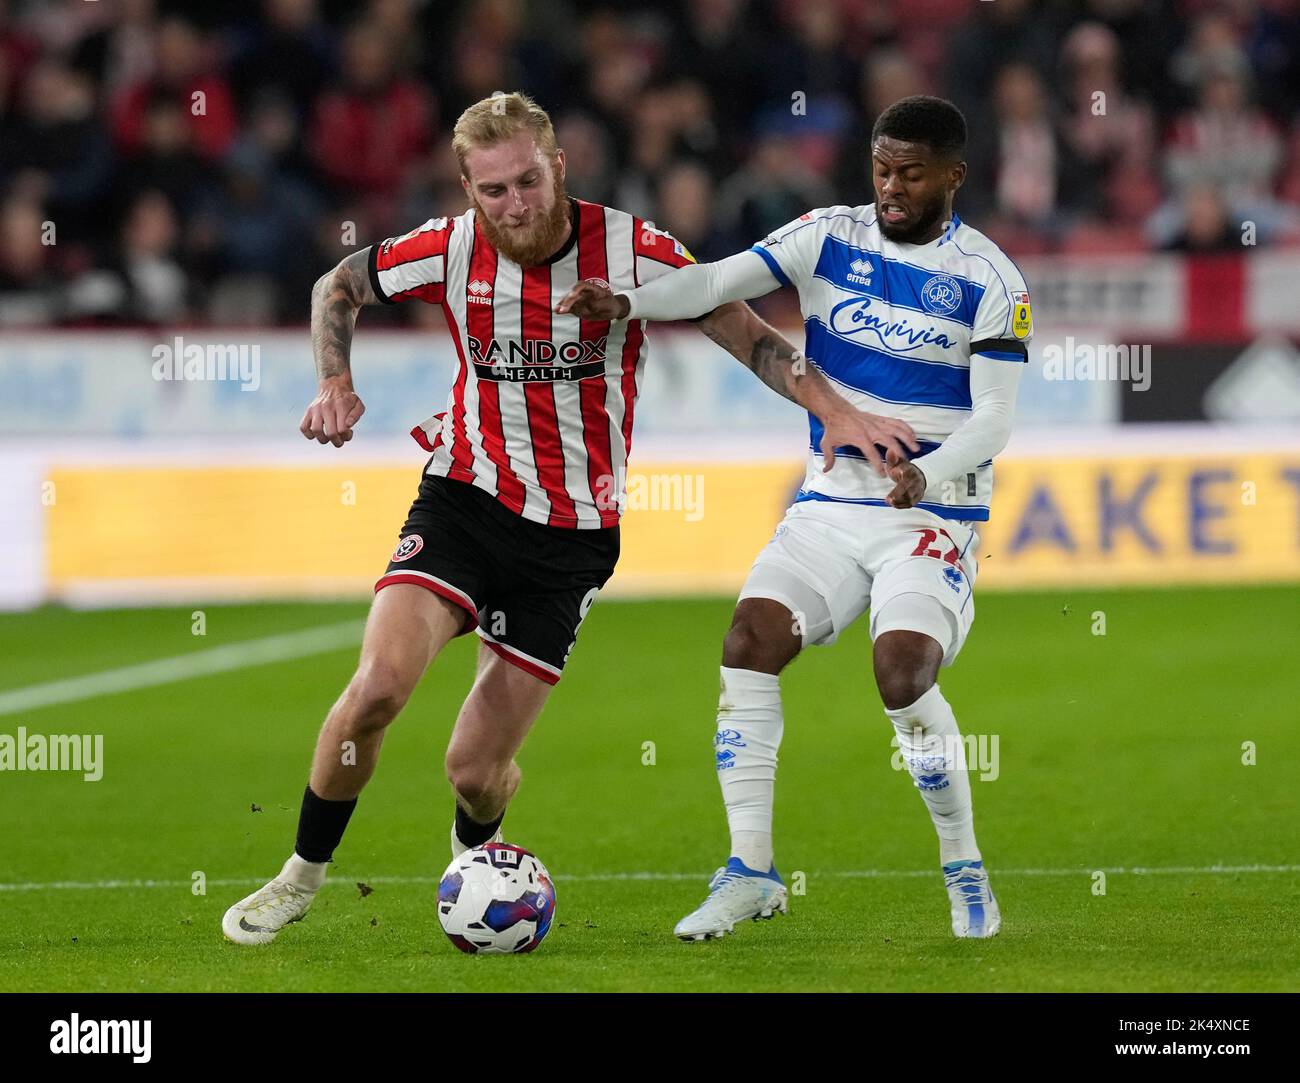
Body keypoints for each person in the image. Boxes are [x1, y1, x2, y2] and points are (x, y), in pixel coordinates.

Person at [222, 91, 911, 945]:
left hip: (574, 539)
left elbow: (749, 335)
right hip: (464, 499)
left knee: (474, 770)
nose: (514, 206)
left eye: (527, 182)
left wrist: (836, 413)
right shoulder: (448, 248)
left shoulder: (632, 252)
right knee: (379, 690)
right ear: (468, 190)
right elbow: (340, 284)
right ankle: (299, 876)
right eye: (493, 191)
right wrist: (333, 380)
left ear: (559, 168)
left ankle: (478, 852)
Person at [558, 95, 1033, 940]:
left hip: (935, 511)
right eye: (882, 168)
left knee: (902, 675)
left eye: (911, 173)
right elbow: (714, 284)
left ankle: (964, 866)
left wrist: (924, 472)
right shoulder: (827, 234)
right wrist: (629, 304)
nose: (890, 186)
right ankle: (750, 872)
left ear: (954, 176)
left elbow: (995, 419)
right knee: (749, 640)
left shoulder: (991, 280)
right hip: (828, 504)